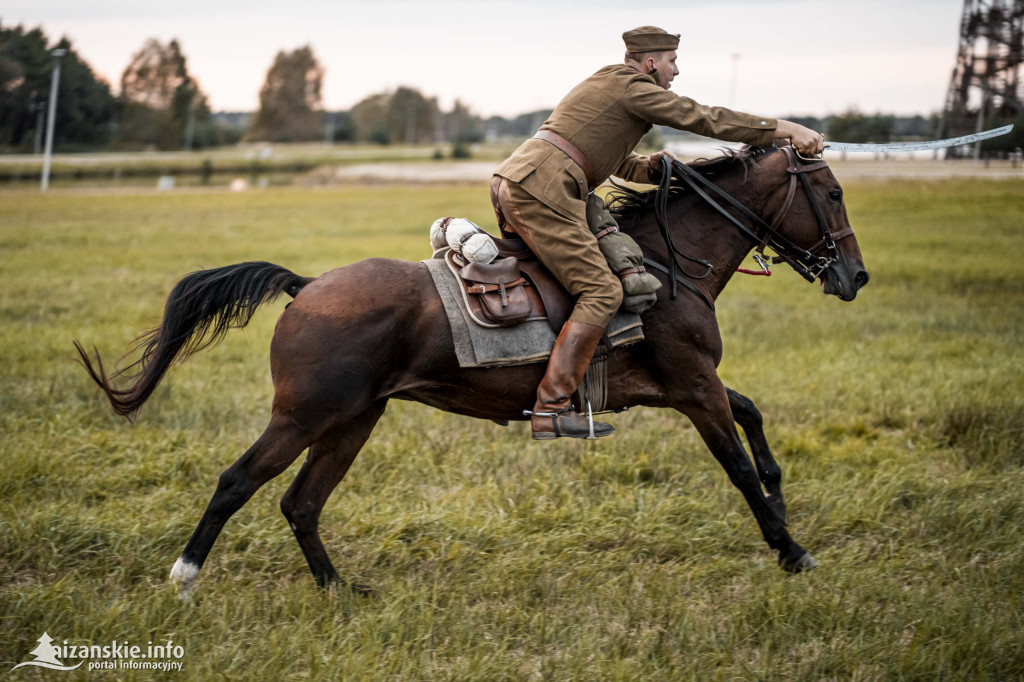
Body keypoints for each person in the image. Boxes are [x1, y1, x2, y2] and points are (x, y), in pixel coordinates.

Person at [490, 26, 825, 440]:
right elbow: (703, 117)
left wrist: (647, 167)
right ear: (651, 63)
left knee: (568, 283)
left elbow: (591, 149)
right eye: (672, 62)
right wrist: (784, 128)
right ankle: (551, 407)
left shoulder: (608, 81)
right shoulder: (635, 87)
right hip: (544, 189)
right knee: (601, 291)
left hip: (523, 180)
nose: (676, 71)